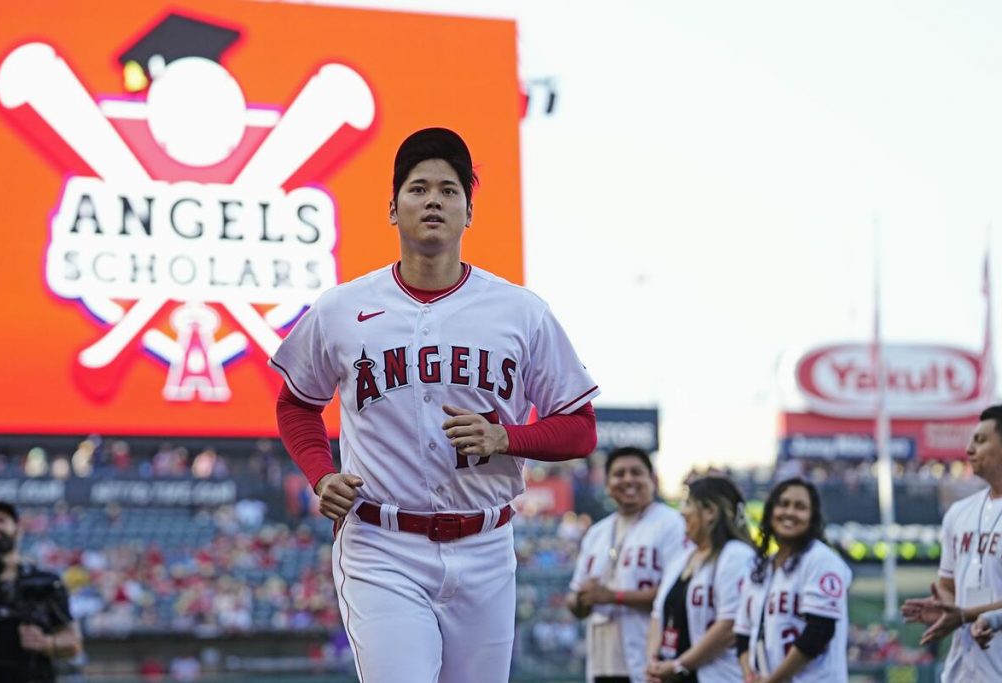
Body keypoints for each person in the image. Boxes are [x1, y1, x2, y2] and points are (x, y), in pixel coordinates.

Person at [270, 127, 599, 683]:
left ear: (469, 212)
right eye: (418, 188)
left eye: (449, 190)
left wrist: (506, 437)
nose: (433, 200)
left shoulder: (519, 311)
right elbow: (296, 405)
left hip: (488, 546)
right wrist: (321, 474)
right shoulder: (342, 308)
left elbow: (581, 428)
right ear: (392, 208)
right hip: (382, 544)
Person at [566, 447, 685, 683]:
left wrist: (614, 596)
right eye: (619, 474)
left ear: (652, 480)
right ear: (608, 484)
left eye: (636, 472)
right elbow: (574, 597)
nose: (628, 479)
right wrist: (581, 600)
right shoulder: (597, 533)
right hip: (602, 661)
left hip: (651, 659)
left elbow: (678, 596)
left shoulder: (672, 524)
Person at [902, 405, 1002, 679]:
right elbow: (948, 587)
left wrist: (965, 614)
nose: (969, 449)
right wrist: (945, 607)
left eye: (980, 440)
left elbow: (964, 611)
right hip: (961, 671)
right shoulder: (959, 513)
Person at [733, 478, 852, 683]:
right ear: (770, 512)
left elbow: (819, 632)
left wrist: (773, 680)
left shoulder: (821, 559)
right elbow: (743, 637)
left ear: (812, 517)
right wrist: (750, 676)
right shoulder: (760, 568)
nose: (789, 512)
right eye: (783, 504)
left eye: (800, 507)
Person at [645, 476, 754, 683]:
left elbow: (730, 625)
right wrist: (654, 662)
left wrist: (679, 665)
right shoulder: (683, 558)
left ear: (710, 512)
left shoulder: (736, 555)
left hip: (719, 676)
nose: (681, 511)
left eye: (687, 503)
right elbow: (658, 614)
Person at [0, 501, 82, 683]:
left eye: (1, 520)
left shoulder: (47, 582)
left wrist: (47, 643)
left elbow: (73, 643)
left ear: (18, 529)